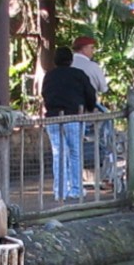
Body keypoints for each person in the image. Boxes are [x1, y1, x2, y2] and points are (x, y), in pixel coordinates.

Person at [41, 45, 100, 201]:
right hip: (74, 117)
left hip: (53, 118)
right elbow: (90, 94)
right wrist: (90, 107)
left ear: (55, 60)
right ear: (71, 60)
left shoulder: (49, 76)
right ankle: (76, 188)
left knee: (58, 154)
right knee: (75, 153)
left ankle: (60, 190)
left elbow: (44, 94)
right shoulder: (78, 75)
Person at [69, 34, 112, 183]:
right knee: (107, 126)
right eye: (91, 48)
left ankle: (69, 180)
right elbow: (103, 88)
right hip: (88, 110)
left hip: (66, 112)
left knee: (69, 148)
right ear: (84, 49)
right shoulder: (92, 67)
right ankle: (108, 161)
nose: (93, 51)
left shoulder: (65, 65)